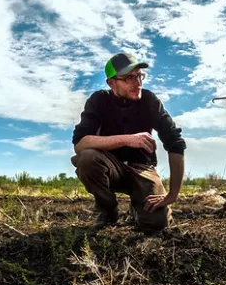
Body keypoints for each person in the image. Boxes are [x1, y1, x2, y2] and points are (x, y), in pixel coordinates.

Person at [72, 52, 186, 232]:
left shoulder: (149, 100)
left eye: (139, 76)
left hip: (142, 168)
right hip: (111, 167)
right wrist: (128, 139)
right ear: (111, 83)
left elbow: (175, 141)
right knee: (88, 158)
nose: (137, 83)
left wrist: (172, 194)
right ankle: (107, 211)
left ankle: (137, 207)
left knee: (157, 224)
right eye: (129, 78)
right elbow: (80, 144)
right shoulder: (99, 100)